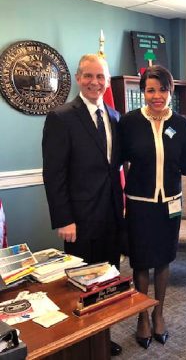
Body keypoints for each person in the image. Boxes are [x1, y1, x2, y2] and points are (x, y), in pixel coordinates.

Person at [42, 53, 124, 356]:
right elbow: (53, 173)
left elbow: (114, 169)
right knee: (82, 286)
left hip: (112, 217)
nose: (95, 82)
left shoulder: (115, 118)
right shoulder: (61, 117)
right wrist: (64, 219)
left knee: (108, 283)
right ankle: (81, 343)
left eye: (101, 76)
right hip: (79, 220)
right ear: (78, 78)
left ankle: (102, 337)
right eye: (89, 76)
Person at [119, 65, 186, 349]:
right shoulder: (129, 123)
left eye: (162, 89)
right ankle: (142, 316)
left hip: (170, 204)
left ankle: (159, 312)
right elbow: (117, 160)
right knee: (140, 262)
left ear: (170, 91)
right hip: (140, 204)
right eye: (150, 90)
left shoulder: (181, 123)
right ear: (143, 93)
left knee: (164, 260)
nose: (157, 96)